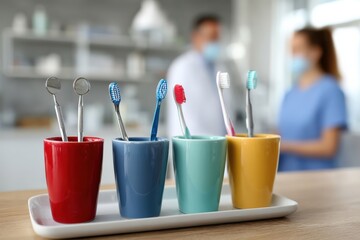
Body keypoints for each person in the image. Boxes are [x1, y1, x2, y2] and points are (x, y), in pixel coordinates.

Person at [278, 27, 347, 171]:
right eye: (292, 50)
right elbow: (281, 133)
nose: (293, 55)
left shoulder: (330, 91)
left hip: (317, 179)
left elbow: (329, 147)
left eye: (297, 50)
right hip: (287, 176)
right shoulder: (289, 93)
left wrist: (283, 145)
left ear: (316, 52)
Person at [166, 15, 225, 137]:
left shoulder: (220, 67)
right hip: (192, 144)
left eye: (217, 37)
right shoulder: (182, 67)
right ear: (195, 37)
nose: (215, 42)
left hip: (218, 143)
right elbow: (186, 114)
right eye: (211, 37)